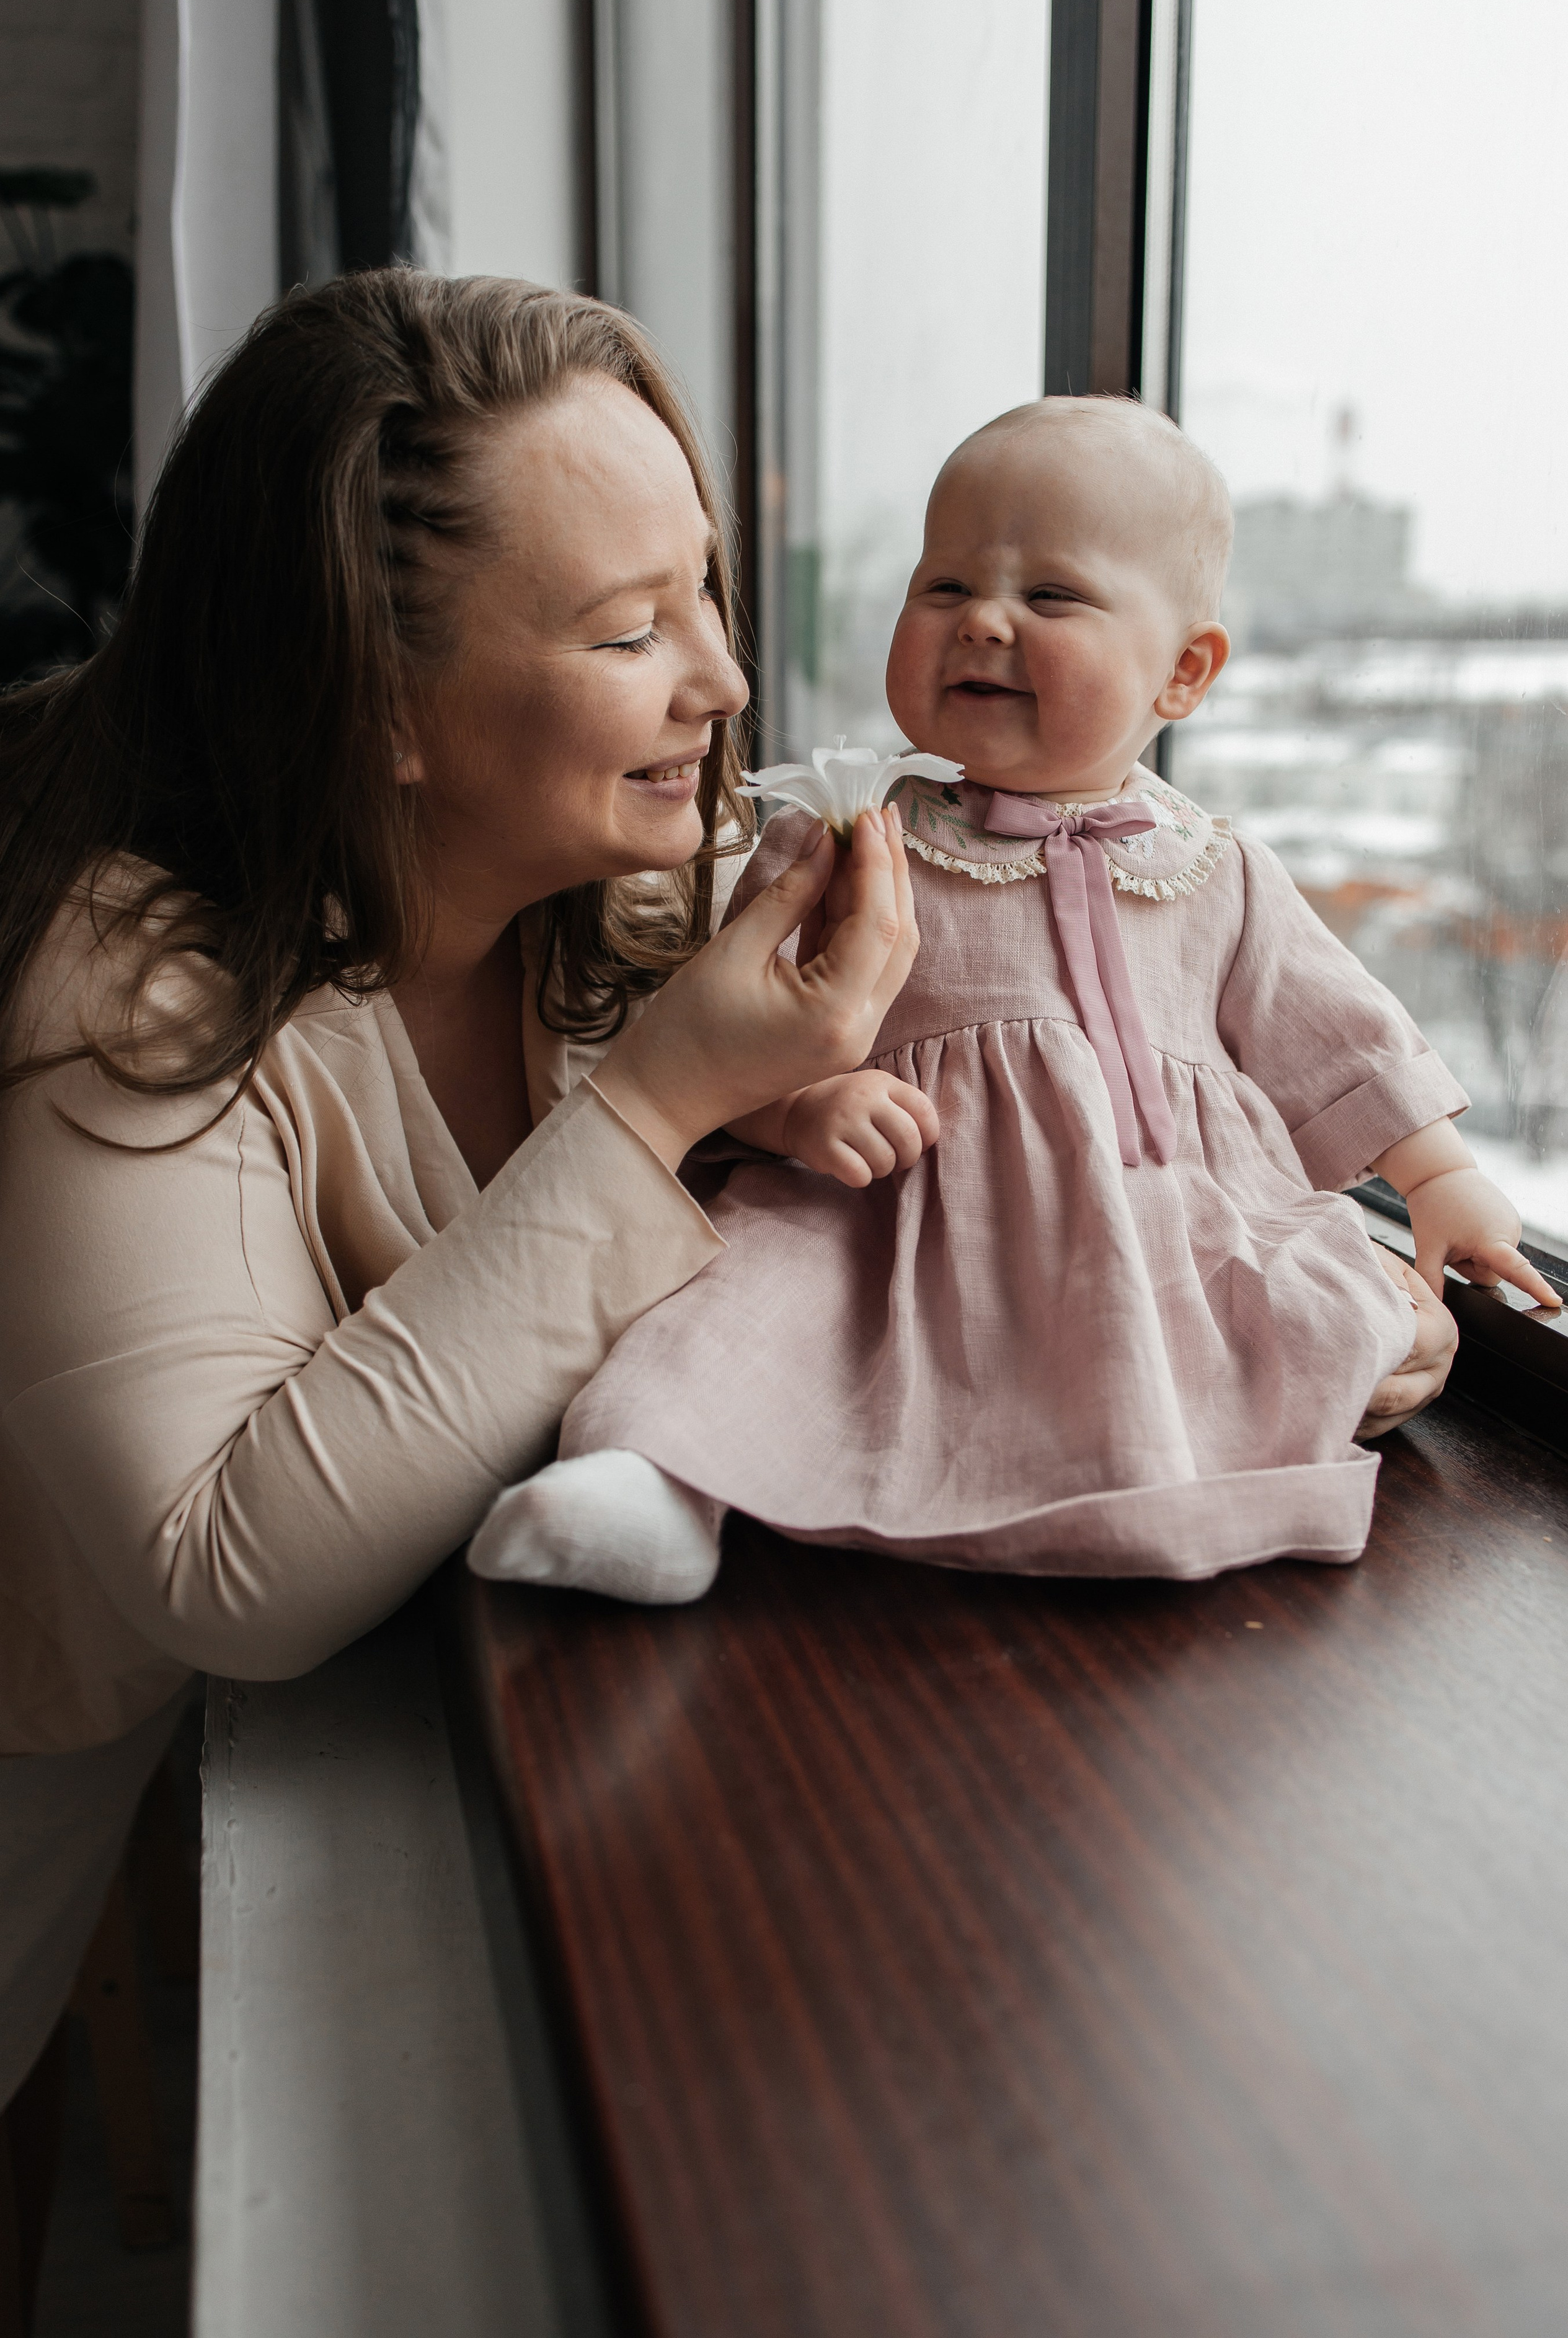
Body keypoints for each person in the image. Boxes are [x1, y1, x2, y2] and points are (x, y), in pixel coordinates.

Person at [0, 272, 921, 2223]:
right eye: (629, 629)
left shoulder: (613, 908)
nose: (724, 681)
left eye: (707, 589)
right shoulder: (128, 980)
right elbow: (227, 1568)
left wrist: (1304, 1279)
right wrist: (657, 1106)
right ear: (376, 705)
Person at [472, 395, 1552, 1602]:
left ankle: (1226, 1425)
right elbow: (724, 1045)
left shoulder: (1218, 870)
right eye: (943, 586)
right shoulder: (846, 837)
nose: (982, 619)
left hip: (1158, 1223)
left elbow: (1339, 1037)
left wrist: (1438, 1181)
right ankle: (648, 1486)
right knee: (732, 1311)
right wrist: (798, 1111)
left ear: (1184, 671)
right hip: (882, 1226)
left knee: (1344, 1299)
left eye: (1049, 595)